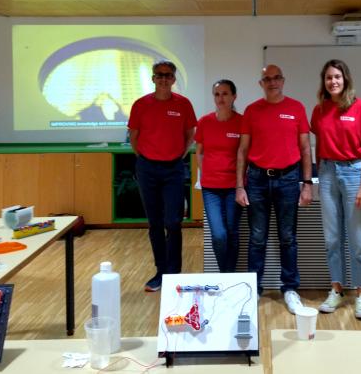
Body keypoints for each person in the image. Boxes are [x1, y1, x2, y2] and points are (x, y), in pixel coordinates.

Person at [236, 64, 313, 314]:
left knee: (288, 238)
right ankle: (253, 289)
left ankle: (290, 289)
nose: (272, 82)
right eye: (267, 79)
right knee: (257, 238)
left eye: (276, 78)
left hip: (289, 179)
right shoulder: (251, 111)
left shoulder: (296, 108)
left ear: (283, 80)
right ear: (261, 83)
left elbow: (305, 148)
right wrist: (240, 185)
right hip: (257, 179)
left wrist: (307, 183)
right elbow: (243, 151)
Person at [310, 59, 361, 319]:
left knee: (358, 241)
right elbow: (319, 142)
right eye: (328, 77)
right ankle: (336, 289)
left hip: (354, 174)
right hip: (327, 174)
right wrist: (320, 174)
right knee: (332, 239)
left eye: (337, 76)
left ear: (345, 79)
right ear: (324, 81)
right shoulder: (319, 110)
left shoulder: (360, 107)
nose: (333, 81)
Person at [128, 60, 197, 292]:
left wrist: (177, 155)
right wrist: (147, 159)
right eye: (159, 75)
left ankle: (174, 272)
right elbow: (134, 138)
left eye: (168, 75)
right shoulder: (140, 105)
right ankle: (161, 271)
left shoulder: (184, 104)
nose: (164, 79)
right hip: (147, 168)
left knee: (173, 222)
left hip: (173, 169)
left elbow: (190, 134)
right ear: (153, 78)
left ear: (174, 79)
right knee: (155, 223)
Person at [195, 79, 242, 272]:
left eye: (224, 93)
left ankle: (229, 276)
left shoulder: (242, 122)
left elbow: (245, 153)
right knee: (219, 235)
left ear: (234, 96)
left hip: (234, 187)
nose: (220, 98)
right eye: (217, 94)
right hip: (211, 188)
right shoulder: (205, 122)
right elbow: (199, 151)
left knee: (232, 232)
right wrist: (206, 173)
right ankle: (225, 274)